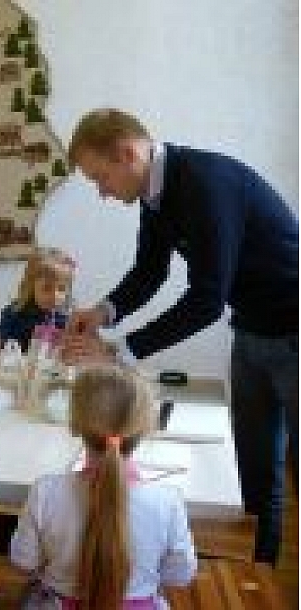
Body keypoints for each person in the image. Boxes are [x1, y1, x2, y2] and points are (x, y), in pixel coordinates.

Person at [62, 108, 298, 565]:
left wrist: (120, 349)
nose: (102, 193)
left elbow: (207, 301)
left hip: (294, 332)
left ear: (127, 154)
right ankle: (259, 574)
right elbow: (149, 272)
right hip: (251, 330)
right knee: (255, 471)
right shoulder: (156, 195)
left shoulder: (206, 185)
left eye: (100, 178)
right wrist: (103, 312)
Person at [10, 365, 197, 609]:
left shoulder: (46, 491)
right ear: (145, 429)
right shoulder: (168, 502)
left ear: (74, 425)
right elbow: (180, 575)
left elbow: (23, 563)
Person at [0, 246, 75, 366]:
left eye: (61, 289)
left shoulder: (66, 321)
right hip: (11, 372)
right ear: (30, 286)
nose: (55, 296)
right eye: (46, 288)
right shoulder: (14, 313)